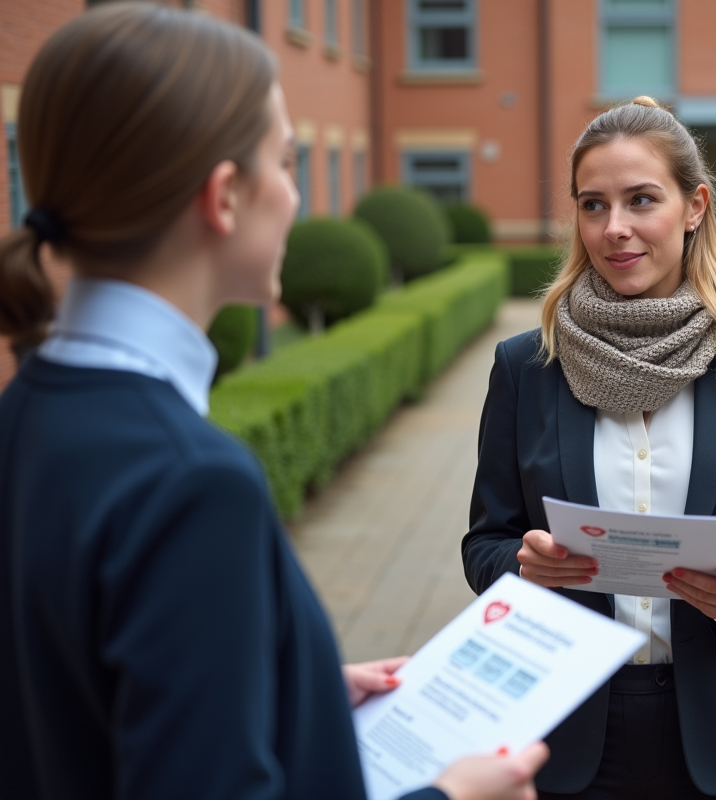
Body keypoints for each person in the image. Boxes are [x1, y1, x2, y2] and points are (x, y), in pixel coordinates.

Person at [0, 5, 546, 799]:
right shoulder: (190, 482)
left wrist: (297, 692)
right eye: (288, 163)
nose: (296, 196)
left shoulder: (30, 414)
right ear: (224, 197)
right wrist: (452, 796)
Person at [461, 96, 716, 799]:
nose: (615, 229)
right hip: (567, 739)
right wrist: (523, 565)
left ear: (694, 207)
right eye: (593, 205)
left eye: (641, 200)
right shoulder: (525, 368)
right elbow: (485, 545)